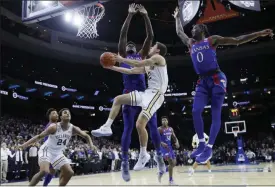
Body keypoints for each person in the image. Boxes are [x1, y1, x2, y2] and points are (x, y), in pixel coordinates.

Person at [173, 7, 274, 163]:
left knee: (215, 113)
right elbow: (180, 32)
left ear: (202, 29)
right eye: (192, 27)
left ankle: (209, 148)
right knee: (195, 111)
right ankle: (201, 143)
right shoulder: (191, 43)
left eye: (195, 27)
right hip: (202, 81)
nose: (192, 29)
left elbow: (237, 40)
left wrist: (259, 33)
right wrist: (177, 17)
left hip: (216, 78)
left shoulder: (212, 39)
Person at [91, 4, 165, 182]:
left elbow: (150, 36)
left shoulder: (142, 56)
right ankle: (125, 164)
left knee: (152, 128)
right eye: (128, 44)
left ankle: (159, 159)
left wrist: (145, 16)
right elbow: (123, 35)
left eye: (133, 44)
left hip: (145, 94)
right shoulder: (121, 54)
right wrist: (130, 15)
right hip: (130, 93)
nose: (130, 44)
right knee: (128, 128)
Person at [18, 108, 97, 186]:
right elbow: (38, 137)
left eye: (69, 113)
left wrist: (91, 144)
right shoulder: (54, 127)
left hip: (57, 153)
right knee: (44, 171)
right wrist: (23, 145)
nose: (67, 114)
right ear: (61, 117)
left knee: (70, 172)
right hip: (47, 150)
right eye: (65, 113)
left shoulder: (72, 128)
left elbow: (86, 136)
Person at [158, 116, 179, 185]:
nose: (164, 121)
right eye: (162, 120)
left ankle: (162, 171)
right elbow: (155, 139)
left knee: (174, 163)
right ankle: (171, 181)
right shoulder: (159, 129)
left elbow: (174, 137)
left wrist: (177, 142)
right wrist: (161, 143)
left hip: (170, 148)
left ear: (167, 121)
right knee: (171, 163)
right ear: (161, 122)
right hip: (163, 148)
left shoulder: (170, 129)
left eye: (165, 120)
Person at [42, 108, 59, 186]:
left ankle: (45, 184)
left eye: (56, 113)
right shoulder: (50, 126)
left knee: (52, 170)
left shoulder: (54, 125)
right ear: (49, 116)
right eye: (54, 113)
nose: (56, 114)